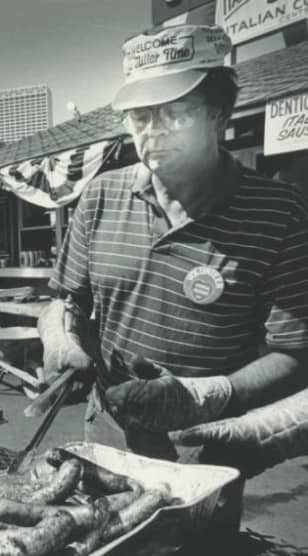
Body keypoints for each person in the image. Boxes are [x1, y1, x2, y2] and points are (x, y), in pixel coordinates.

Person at [39, 25, 308, 476]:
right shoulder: (101, 196)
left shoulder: (278, 212)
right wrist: (60, 338)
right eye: (140, 117)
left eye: (176, 113)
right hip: (109, 432)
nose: (154, 131)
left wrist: (204, 396)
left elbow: (296, 354)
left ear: (220, 115)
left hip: (209, 446)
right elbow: (68, 300)